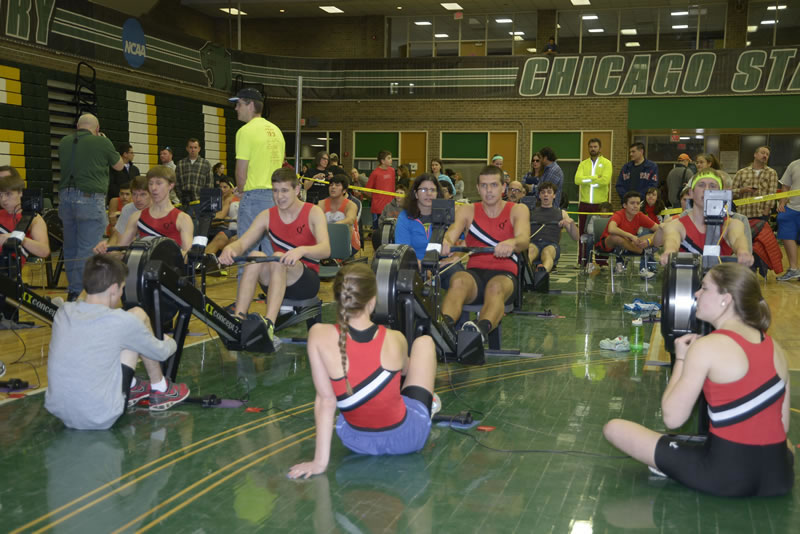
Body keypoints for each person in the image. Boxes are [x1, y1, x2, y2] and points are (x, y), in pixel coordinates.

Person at [603, 263, 793, 497]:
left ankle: (676, 466)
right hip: (779, 477)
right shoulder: (776, 349)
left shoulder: (707, 346)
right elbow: (782, 425)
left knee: (614, 428)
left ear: (726, 299)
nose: (696, 294)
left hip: (725, 477)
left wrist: (681, 359)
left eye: (704, 288)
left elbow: (673, 418)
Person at [287, 263, 437, 478]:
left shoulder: (318, 335)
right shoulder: (395, 338)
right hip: (408, 439)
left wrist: (319, 463)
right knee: (424, 343)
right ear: (373, 300)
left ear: (338, 298)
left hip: (357, 441)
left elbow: (325, 401)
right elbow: (407, 370)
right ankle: (429, 403)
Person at [45, 254, 190, 430]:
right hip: (101, 416)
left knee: (132, 320)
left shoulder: (63, 312)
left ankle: (133, 386)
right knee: (135, 327)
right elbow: (161, 353)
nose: (122, 293)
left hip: (61, 412)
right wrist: (170, 341)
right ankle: (161, 388)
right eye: (122, 288)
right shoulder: (121, 322)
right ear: (113, 289)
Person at [219, 168, 331, 347]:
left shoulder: (313, 212)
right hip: (276, 278)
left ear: (296, 190)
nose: (279, 196)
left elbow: (326, 250)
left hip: (305, 282)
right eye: (275, 191)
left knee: (278, 257)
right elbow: (242, 243)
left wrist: (301, 251)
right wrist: (230, 249)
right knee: (255, 256)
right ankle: (239, 320)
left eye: (284, 190)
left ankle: (269, 324)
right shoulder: (267, 215)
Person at [440, 166, 531, 342]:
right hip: (475, 275)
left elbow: (523, 239)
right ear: (477, 188)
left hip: (505, 275)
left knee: (495, 287)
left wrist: (511, 243)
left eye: (494, 185)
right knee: (458, 280)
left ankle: (479, 332)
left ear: (503, 187)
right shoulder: (466, 210)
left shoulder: (518, 210)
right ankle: (443, 332)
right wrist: (446, 242)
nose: (489, 190)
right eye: (484, 185)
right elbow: (451, 234)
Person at [58, 113, 124, 302]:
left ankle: (73, 291)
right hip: (89, 199)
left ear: (77, 126)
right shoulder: (102, 142)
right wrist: (105, 140)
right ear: (97, 129)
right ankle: (80, 294)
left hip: (65, 199)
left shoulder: (64, 142)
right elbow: (119, 166)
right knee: (88, 249)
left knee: (71, 248)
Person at [230, 87, 286, 258]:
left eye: (239, 104)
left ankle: (245, 277)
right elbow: (280, 163)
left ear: (251, 105)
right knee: (272, 253)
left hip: (254, 198)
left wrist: (241, 190)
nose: (236, 108)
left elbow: (241, 170)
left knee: (245, 251)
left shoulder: (245, 131)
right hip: (276, 198)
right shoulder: (277, 131)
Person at [94, 166, 194, 257]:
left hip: (169, 269)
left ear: (171, 185)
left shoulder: (183, 219)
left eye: (159, 183)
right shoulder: (136, 217)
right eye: (150, 183)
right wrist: (106, 250)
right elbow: (120, 250)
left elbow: (187, 256)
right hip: (142, 268)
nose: (153, 188)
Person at [659, 172, 753, 267]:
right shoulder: (676, 225)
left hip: (719, 275)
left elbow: (737, 238)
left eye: (712, 186)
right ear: (691, 192)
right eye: (701, 185)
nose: (706, 190)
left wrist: (743, 251)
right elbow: (672, 240)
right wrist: (669, 252)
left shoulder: (733, 224)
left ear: (721, 193)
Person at [595, 191, 658, 278]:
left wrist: (649, 241)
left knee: (652, 234)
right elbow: (611, 229)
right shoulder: (619, 214)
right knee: (616, 237)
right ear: (625, 205)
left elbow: (659, 229)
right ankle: (643, 252)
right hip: (609, 244)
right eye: (632, 203)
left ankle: (638, 255)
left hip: (628, 244)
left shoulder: (640, 215)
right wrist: (631, 236)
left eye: (638, 203)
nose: (635, 206)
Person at [0, 166, 51, 267]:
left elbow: (44, 251)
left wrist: (17, 238)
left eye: (8, 194)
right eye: (0, 195)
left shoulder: (33, 218)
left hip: (9, 268)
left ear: (20, 193)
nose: (3, 199)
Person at [529, 182, 579, 274]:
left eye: (549, 192)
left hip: (551, 245)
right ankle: (525, 274)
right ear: (539, 195)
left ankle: (542, 273)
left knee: (547, 252)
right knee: (530, 250)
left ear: (554, 195)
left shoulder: (562, 213)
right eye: (543, 192)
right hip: (534, 243)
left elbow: (576, 237)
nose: (546, 195)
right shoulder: (531, 213)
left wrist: (571, 223)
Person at [574, 138, 613, 241]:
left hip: (600, 205)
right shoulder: (583, 164)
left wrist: (585, 180)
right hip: (585, 204)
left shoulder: (607, 163)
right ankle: (582, 252)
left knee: (600, 233)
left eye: (595, 146)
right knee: (583, 233)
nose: (593, 149)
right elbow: (577, 180)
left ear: (600, 148)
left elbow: (605, 181)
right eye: (591, 147)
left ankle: (600, 252)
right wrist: (595, 177)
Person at [732, 146, 778, 220]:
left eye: (767, 154)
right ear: (755, 154)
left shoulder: (772, 173)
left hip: (761, 214)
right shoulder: (741, 172)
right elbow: (730, 192)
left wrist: (766, 212)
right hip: (743, 213)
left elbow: (771, 194)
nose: (765, 155)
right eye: (762, 153)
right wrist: (742, 190)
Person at [319, 174, 360, 254]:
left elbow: (350, 219)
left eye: (337, 185)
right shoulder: (321, 203)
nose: (333, 187)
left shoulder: (351, 205)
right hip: (327, 240)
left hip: (349, 243)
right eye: (331, 185)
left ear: (344, 190)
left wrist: (334, 226)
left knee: (346, 226)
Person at [175, 138, 213, 222]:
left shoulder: (206, 164)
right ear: (187, 148)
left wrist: (205, 201)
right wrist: (181, 196)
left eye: (195, 147)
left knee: (200, 227)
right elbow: (176, 183)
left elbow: (209, 184)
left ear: (199, 149)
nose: (193, 150)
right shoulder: (180, 164)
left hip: (200, 203)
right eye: (191, 147)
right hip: (185, 204)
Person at [204, 177, 240, 261]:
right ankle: (203, 261)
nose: (222, 190)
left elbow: (219, 216)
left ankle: (206, 261)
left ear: (232, 188)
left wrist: (207, 217)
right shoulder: (216, 199)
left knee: (225, 238)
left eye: (225, 187)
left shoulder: (230, 199)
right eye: (220, 187)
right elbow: (217, 218)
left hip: (232, 229)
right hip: (221, 227)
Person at [776, 158, 800, 281]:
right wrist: (782, 202)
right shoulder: (794, 164)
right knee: (783, 220)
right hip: (792, 207)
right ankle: (794, 269)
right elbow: (785, 186)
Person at [109, 175, 150, 245]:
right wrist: (109, 248)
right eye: (134, 194)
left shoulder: (159, 210)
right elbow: (117, 235)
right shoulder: (128, 209)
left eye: (143, 195)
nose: (138, 199)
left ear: (151, 194)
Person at [366, 150, 396, 231]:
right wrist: (376, 197)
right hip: (378, 208)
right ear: (382, 161)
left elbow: (392, 187)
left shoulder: (392, 171)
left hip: (390, 206)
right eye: (389, 158)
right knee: (378, 232)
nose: (391, 160)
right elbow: (367, 190)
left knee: (390, 231)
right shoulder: (375, 173)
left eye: (391, 158)